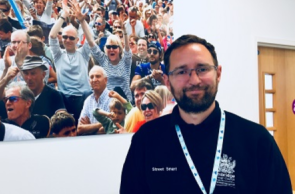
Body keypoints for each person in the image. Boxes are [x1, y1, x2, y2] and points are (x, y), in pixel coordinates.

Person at [120, 34, 292, 193]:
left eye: (202, 69)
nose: (194, 80)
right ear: (167, 81)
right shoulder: (146, 140)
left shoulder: (256, 140)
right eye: (181, 71)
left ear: (218, 74)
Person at [72, 0, 133, 102]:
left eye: (114, 47)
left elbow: (127, 49)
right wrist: (82, 21)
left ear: (119, 49)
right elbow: (91, 42)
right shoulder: (104, 59)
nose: (111, 49)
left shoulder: (125, 61)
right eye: (109, 47)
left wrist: (125, 31)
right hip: (108, 102)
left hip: (124, 102)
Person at [48, 0, 92, 123]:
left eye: (71, 38)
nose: (67, 40)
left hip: (82, 97)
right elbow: (52, 36)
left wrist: (82, 20)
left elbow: (90, 40)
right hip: (64, 98)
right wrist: (63, 15)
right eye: (65, 37)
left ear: (77, 40)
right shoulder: (58, 55)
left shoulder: (83, 54)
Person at [78, 66, 112, 135]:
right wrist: (101, 124)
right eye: (91, 77)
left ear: (105, 80)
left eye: (98, 76)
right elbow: (79, 128)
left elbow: (109, 128)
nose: (94, 80)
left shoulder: (112, 99)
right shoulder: (87, 101)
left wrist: (88, 127)